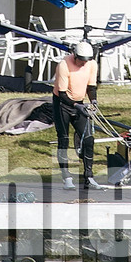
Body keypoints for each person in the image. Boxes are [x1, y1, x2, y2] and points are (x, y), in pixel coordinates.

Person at [53, 38, 99, 183]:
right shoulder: (64, 65)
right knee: (64, 139)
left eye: (86, 60)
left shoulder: (91, 64)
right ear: (75, 56)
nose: (84, 63)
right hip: (62, 104)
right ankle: (66, 176)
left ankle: (89, 176)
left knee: (88, 139)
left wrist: (93, 101)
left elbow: (91, 87)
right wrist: (76, 106)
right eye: (81, 60)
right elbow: (62, 94)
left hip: (79, 103)